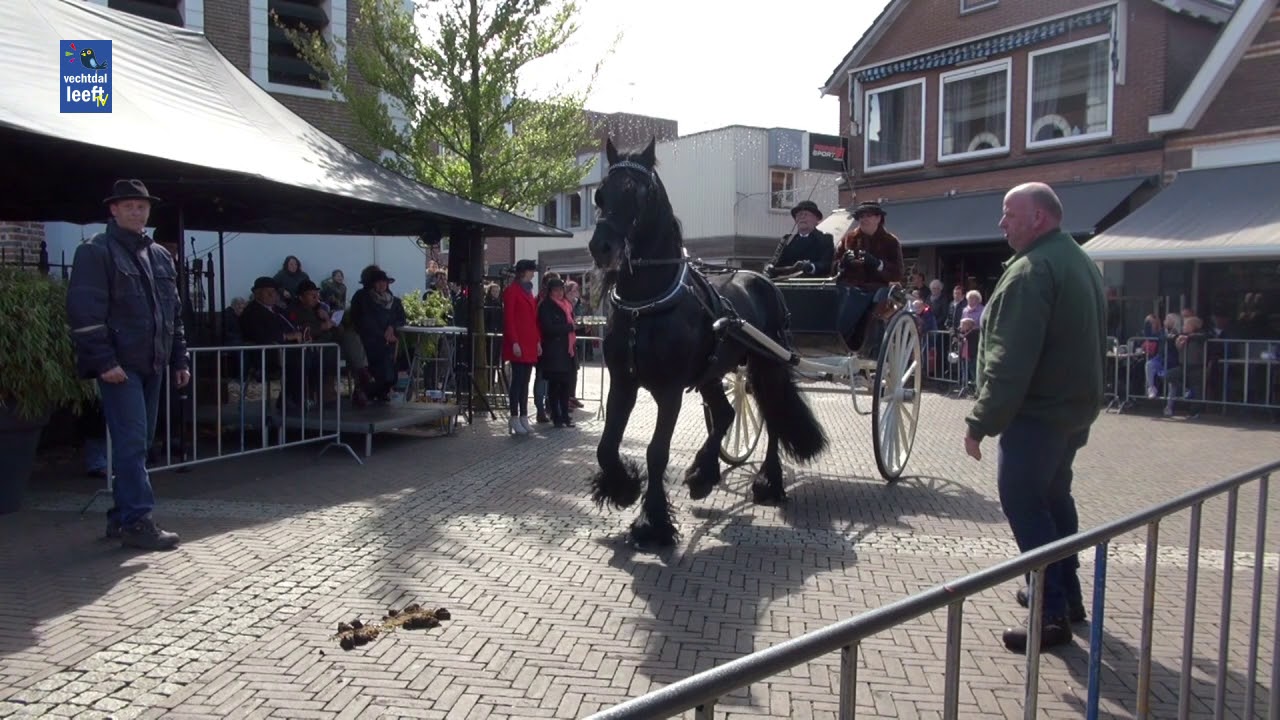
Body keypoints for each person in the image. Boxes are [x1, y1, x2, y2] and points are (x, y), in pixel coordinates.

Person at [963, 182, 1107, 653]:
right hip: (1071, 408)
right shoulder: (1077, 258)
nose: (1001, 223)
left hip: (1039, 412)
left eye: (1009, 214)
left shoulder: (1032, 269)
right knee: (1054, 496)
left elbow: (1010, 357)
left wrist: (981, 419)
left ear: (1039, 218)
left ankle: (1050, 614)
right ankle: (1069, 595)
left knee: (1025, 503)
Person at [66, 179, 188, 551]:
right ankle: (137, 520)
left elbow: (173, 312)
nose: (136, 211)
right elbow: (84, 311)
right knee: (133, 441)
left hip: (152, 362)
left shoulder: (160, 256)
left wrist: (179, 356)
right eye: (128, 206)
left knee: (139, 442)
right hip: (121, 365)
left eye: (142, 206)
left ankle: (121, 518)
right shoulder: (96, 251)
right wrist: (103, 360)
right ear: (113, 210)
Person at [831, 201, 905, 358]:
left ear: (878, 218)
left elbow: (897, 273)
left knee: (858, 296)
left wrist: (877, 264)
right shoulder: (848, 239)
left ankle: (842, 336)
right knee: (836, 292)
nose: (863, 219)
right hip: (847, 286)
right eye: (861, 216)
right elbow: (833, 266)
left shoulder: (890, 242)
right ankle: (830, 335)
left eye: (868, 216)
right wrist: (842, 263)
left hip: (874, 288)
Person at [348, 268, 406, 402]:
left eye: (384, 282)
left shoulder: (394, 301)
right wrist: (382, 334)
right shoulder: (363, 298)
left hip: (389, 343)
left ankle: (377, 393)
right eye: (379, 282)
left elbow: (401, 318)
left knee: (390, 377)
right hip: (370, 342)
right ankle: (366, 393)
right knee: (377, 373)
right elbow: (362, 320)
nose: (382, 285)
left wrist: (392, 328)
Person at [502, 259, 541, 434]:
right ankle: (514, 416)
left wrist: (538, 341)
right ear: (525, 271)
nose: (533, 273)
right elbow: (509, 319)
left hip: (529, 341)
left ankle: (524, 416)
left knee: (525, 381)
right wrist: (515, 341)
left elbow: (533, 320)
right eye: (531, 271)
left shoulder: (529, 292)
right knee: (517, 381)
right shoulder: (512, 291)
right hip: (518, 343)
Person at [537, 277, 577, 428]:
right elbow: (548, 328)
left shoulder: (567, 305)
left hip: (567, 351)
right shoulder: (546, 306)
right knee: (555, 386)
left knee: (566, 385)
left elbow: (571, 323)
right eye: (556, 290)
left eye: (561, 290)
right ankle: (556, 415)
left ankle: (565, 415)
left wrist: (573, 327)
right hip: (554, 351)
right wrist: (569, 327)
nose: (559, 293)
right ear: (550, 291)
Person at [764, 200, 834, 278]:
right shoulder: (787, 240)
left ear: (816, 219)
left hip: (812, 285)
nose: (802, 217)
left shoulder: (825, 239)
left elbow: (826, 264)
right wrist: (769, 266)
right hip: (784, 284)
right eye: (799, 215)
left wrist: (810, 266)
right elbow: (774, 261)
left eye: (806, 214)